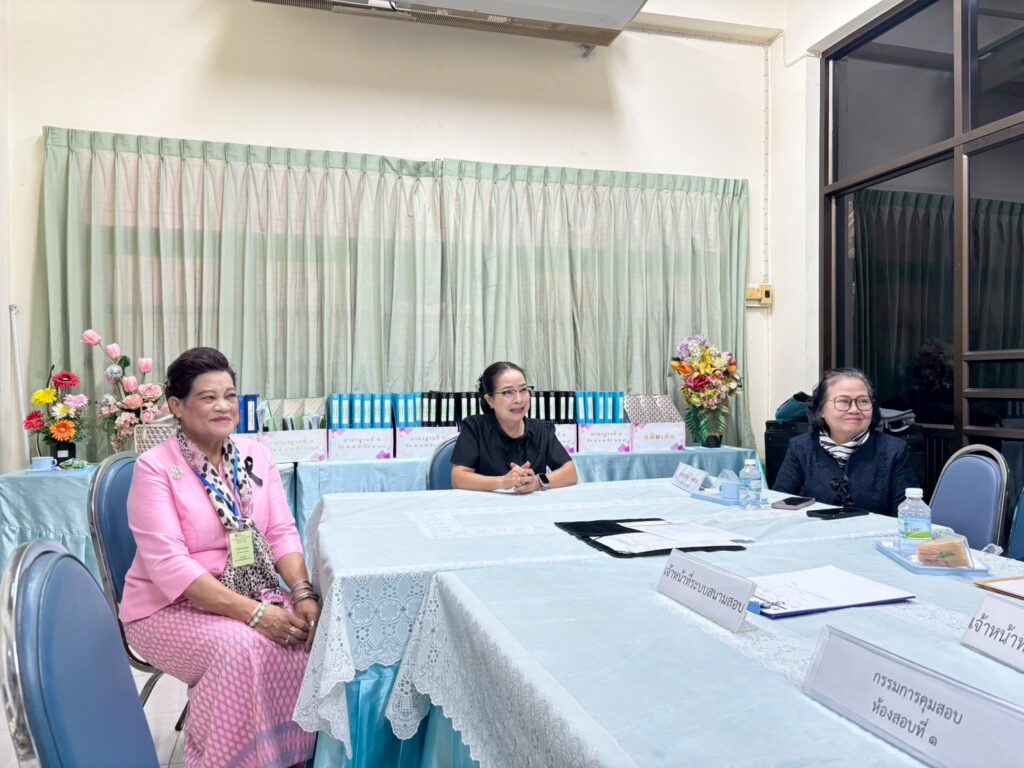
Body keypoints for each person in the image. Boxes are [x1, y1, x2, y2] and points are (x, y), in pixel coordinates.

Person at [120, 347, 317, 768]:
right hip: (168, 607)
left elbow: (281, 532)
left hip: (248, 591)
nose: (224, 406)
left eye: (230, 395)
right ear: (177, 406)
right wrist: (257, 615)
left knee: (311, 631)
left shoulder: (256, 455)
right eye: (208, 397)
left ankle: (292, 758)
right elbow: (170, 565)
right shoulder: (155, 468)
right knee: (239, 648)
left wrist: (302, 594)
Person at [773, 367, 918, 515]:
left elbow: (908, 515)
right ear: (821, 410)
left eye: (863, 401)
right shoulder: (801, 447)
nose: (854, 410)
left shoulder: (893, 450)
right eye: (843, 401)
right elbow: (780, 507)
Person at [451, 361, 578, 492]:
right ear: (490, 400)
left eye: (523, 390)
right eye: (507, 392)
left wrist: (537, 482)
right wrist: (502, 482)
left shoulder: (542, 430)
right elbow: (458, 478)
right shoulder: (475, 427)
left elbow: (570, 473)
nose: (519, 399)